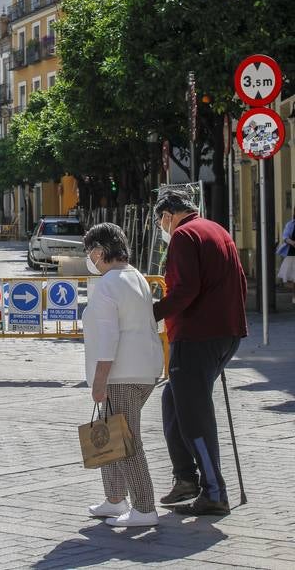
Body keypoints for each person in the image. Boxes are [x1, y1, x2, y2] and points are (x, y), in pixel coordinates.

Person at [153, 191, 247, 516]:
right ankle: (186, 478)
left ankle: (214, 491)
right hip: (225, 333)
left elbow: (185, 290)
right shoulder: (216, 229)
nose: (162, 228)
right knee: (173, 401)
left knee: (194, 416)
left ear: (169, 214)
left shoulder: (183, 235)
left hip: (196, 336)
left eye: (160, 221)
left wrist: (152, 314)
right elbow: (241, 279)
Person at [82, 222, 164, 529]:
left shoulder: (108, 284)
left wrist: (99, 380)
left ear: (100, 251)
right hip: (144, 370)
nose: (89, 258)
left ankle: (143, 508)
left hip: (122, 374)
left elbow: (108, 337)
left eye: (89, 251)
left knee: (127, 440)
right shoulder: (136, 277)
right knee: (113, 433)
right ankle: (115, 499)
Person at [277, 208, 295, 304]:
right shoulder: (290, 224)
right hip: (292, 254)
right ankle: (294, 296)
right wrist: (292, 242)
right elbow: (285, 237)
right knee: (292, 278)